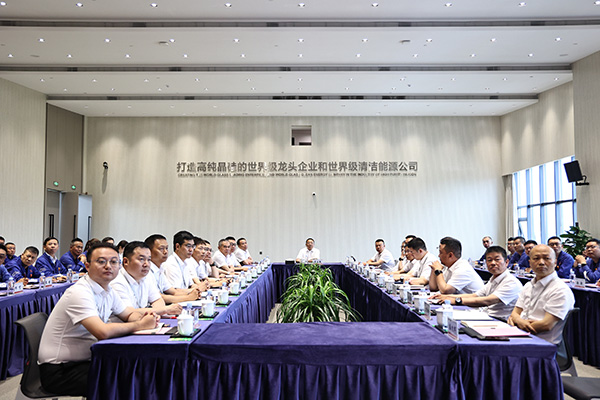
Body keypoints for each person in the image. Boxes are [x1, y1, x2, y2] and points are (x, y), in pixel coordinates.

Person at [38, 243, 159, 396]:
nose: (108, 266)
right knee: (126, 378)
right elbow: (102, 332)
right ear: (87, 266)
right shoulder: (79, 292)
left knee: (134, 369)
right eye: (101, 261)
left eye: (114, 262)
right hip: (60, 370)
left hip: (87, 360)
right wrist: (140, 325)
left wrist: (146, 318)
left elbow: (128, 314)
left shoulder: (107, 289)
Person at [432, 246, 523, 320]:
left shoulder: (511, 282)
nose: (493, 263)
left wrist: (457, 300)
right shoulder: (493, 279)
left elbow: (487, 300)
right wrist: (448, 297)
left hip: (500, 321)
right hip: (487, 316)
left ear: (506, 262)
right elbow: (475, 295)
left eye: (497, 259)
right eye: (489, 260)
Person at [508, 244, 575, 344]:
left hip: (543, 344)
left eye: (546, 258)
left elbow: (546, 325)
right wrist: (519, 321)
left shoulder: (560, 289)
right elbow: (514, 313)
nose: (541, 263)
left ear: (555, 262)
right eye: (536, 258)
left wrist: (517, 324)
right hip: (521, 337)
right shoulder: (528, 285)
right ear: (530, 263)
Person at [110, 241, 182, 315]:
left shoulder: (146, 277)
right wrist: (164, 310)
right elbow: (129, 312)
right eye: (141, 259)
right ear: (125, 261)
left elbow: (158, 300)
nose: (146, 264)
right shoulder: (117, 282)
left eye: (149, 260)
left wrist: (155, 312)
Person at [144, 234, 200, 304]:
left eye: (167, 248)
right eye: (161, 248)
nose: (165, 252)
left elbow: (173, 291)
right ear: (149, 252)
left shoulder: (160, 269)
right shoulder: (146, 271)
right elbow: (158, 297)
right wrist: (188, 297)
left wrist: (195, 292)